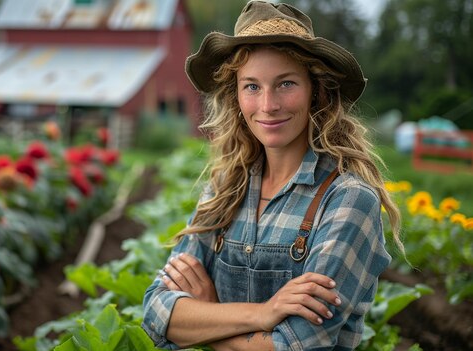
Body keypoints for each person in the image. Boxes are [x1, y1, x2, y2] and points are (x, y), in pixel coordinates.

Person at [142, 1, 404, 350]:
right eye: (252, 86)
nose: (268, 105)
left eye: (285, 84)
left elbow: (297, 344)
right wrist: (262, 314)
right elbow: (158, 313)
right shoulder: (225, 189)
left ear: (317, 92)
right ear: (235, 96)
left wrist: (208, 315)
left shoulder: (347, 200)